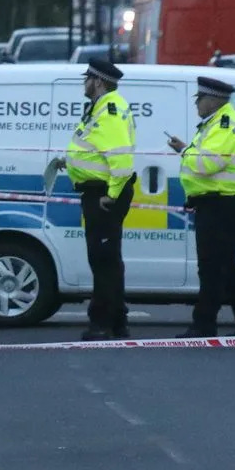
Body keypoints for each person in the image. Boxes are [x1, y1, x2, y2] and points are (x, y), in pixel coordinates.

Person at [166, 76, 235, 338]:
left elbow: (206, 165)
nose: (197, 104)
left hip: (223, 205)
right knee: (224, 267)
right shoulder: (216, 123)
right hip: (221, 204)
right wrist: (186, 149)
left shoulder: (225, 125)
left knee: (212, 267)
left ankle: (204, 324)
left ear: (213, 100)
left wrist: (184, 151)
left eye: (200, 99)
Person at [55, 58, 137, 341]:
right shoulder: (100, 108)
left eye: (87, 78)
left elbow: (121, 160)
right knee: (107, 259)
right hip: (98, 190)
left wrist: (111, 196)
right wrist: (70, 163)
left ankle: (101, 323)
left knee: (103, 260)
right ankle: (117, 322)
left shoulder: (110, 111)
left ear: (98, 81)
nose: (84, 83)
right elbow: (96, 151)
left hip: (104, 194)